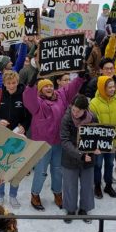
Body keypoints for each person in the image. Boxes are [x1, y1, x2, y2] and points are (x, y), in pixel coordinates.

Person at [23, 70, 86, 211]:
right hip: (43, 144)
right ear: (40, 89)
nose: (49, 88)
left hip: (58, 142)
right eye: (45, 86)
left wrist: (80, 77)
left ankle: (58, 193)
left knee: (58, 170)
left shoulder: (61, 96)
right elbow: (28, 98)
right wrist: (31, 84)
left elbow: (70, 88)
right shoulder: (37, 103)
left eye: (50, 85)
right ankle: (35, 194)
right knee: (41, 171)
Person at [0, 71, 31, 208]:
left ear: (17, 82)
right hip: (0, 136)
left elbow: (29, 115)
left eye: (13, 83)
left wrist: (24, 126)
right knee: (0, 167)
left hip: (17, 137)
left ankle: (13, 195)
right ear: (4, 83)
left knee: (15, 168)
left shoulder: (23, 95)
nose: (11, 86)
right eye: (8, 83)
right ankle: (0, 195)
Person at [60, 95, 96, 223]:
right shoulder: (67, 119)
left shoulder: (93, 118)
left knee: (87, 185)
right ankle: (70, 209)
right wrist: (79, 153)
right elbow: (64, 141)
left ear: (85, 110)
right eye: (73, 109)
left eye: (78, 111)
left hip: (88, 157)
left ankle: (84, 209)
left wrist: (96, 148)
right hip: (70, 157)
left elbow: (97, 136)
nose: (75, 113)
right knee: (70, 185)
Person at [89, 76, 116, 199]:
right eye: (109, 87)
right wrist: (97, 143)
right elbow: (93, 124)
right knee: (98, 164)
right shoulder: (94, 103)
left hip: (112, 141)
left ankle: (108, 185)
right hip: (99, 142)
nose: (112, 89)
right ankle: (97, 185)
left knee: (110, 163)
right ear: (102, 87)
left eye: (113, 86)